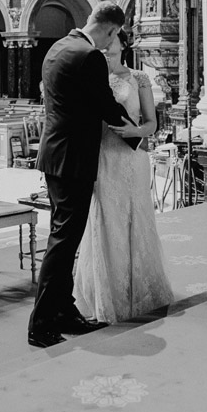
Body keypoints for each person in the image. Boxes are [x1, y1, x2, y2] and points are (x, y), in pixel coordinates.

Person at [28, 1, 132, 348]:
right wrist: (139, 135)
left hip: (54, 155)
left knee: (64, 237)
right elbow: (106, 107)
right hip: (73, 159)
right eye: (115, 36)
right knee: (63, 242)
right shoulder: (90, 56)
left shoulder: (58, 46)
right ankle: (41, 323)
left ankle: (64, 310)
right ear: (112, 29)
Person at [73, 30, 174, 323]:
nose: (105, 46)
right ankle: (106, 296)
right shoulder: (94, 77)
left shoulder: (139, 78)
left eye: (111, 40)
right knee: (106, 225)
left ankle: (138, 293)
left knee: (135, 222)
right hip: (103, 158)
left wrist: (136, 131)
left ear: (123, 44)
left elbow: (152, 123)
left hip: (131, 158)